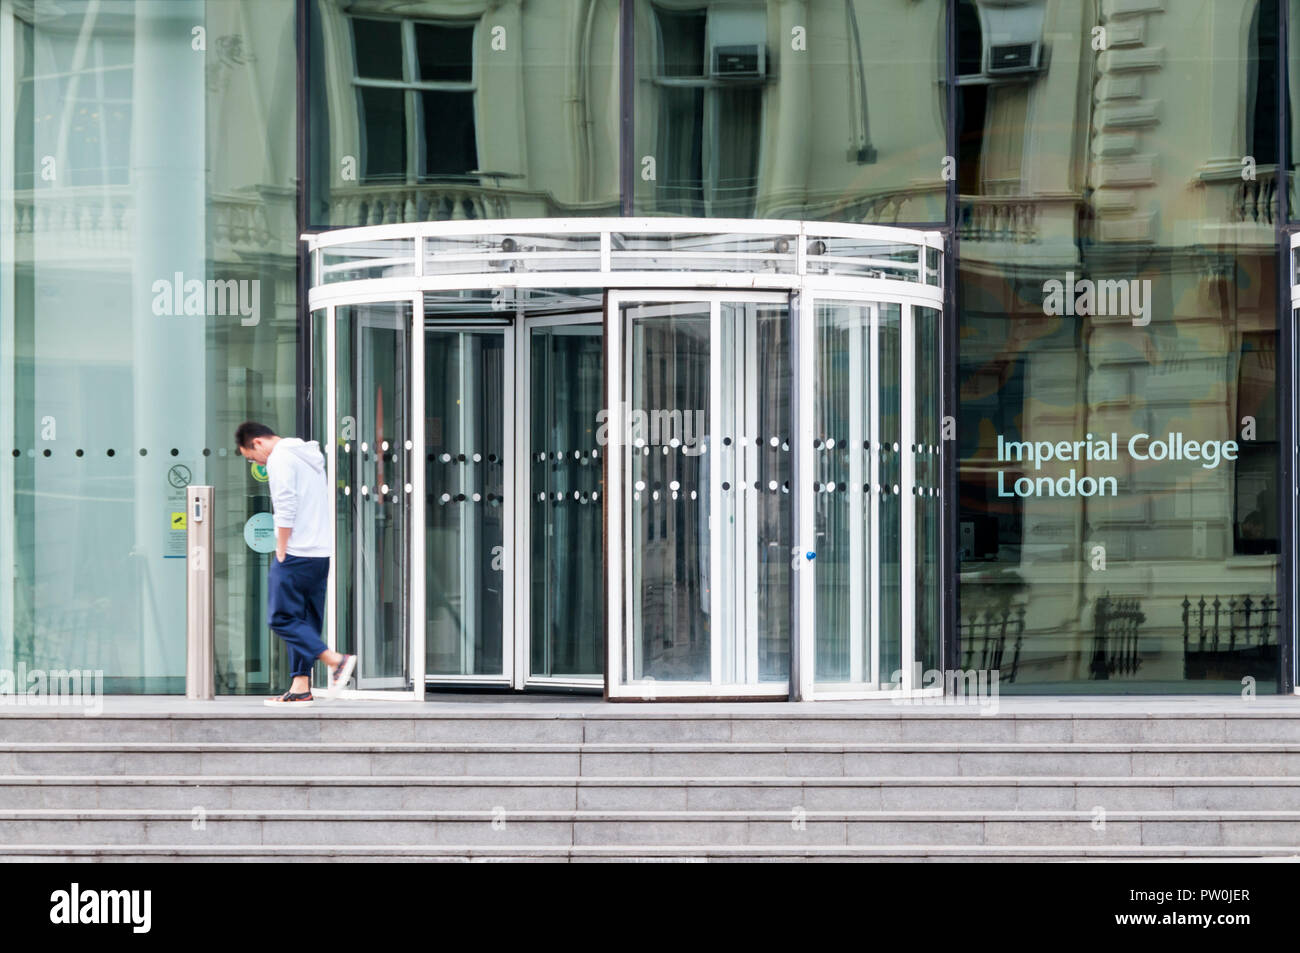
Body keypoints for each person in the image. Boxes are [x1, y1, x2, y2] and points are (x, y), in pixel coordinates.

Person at [235, 421, 355, 706]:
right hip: (319, 553)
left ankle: (335, 661)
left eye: (253, 457)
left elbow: (285, 504)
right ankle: (301, 686)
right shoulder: (308, 456)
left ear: (257, 443)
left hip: (296, 551)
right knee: (305, 621)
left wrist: (281, 547)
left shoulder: (280, 459)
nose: (258, 464)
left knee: (281, 617)